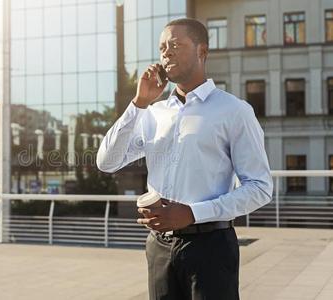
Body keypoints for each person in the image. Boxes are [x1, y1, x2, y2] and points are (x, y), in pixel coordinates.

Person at [96, 18, 273, 300]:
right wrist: (139, 104)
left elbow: (260, 188)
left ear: (202, 51)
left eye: (176, 45)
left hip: (211, 247)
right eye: (162, 47)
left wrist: (192, 213)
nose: (166, 52)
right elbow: (107, 161)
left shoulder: (234, 111)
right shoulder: (153, 113)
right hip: (159, 247)